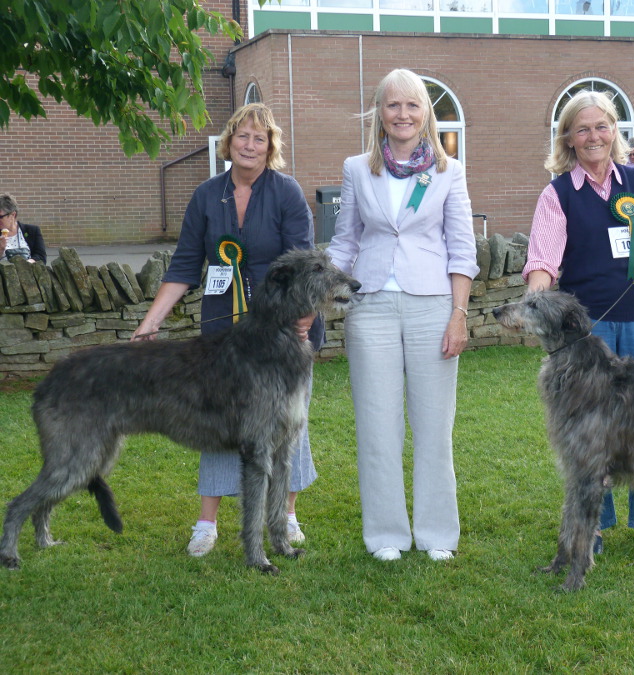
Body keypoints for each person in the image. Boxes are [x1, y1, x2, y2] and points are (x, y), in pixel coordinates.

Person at [132, 103, 323, 557]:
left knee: (288, 426)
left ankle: (286, 514)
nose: (250, 145)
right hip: (224, 333)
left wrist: (306, 320)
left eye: (260, 138)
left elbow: (307, 264)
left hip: (282, 336)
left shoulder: (287, 193)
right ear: (228, 142)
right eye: (243, 137)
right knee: (219, 419)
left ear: (270, 146)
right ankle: (206, 523)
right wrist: (150, 322)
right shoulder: (206, 195)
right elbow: (183, 265)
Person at [328, 68, 479, 563]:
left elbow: (462, 249)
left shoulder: (447, 171)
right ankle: (386, 535)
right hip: (369, 307)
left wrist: (459, 314)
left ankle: (438, 534)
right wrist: (316, 293)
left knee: (434, 427)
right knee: (377, 425)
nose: (403, 115)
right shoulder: (356, 169)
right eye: (393, 105)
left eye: (412, 105)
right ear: (380, 112)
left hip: (433, 305)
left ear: (425, 113)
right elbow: (345, 241)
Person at [523, 90, 634, 559]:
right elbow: (543, 260)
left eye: (602, 126)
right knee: (591, 428)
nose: (593, 137)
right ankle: (597, 523)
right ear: (568, 137)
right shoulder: (558, 193)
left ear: (615, 131)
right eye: (582, 128)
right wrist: (537, 300)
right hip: (587, 331)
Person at [0, 194, 47, 264]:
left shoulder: (32, 231)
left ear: (13, 215)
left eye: (0, 217)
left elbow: (41, 256)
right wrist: (1, 249)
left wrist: (27, 264)